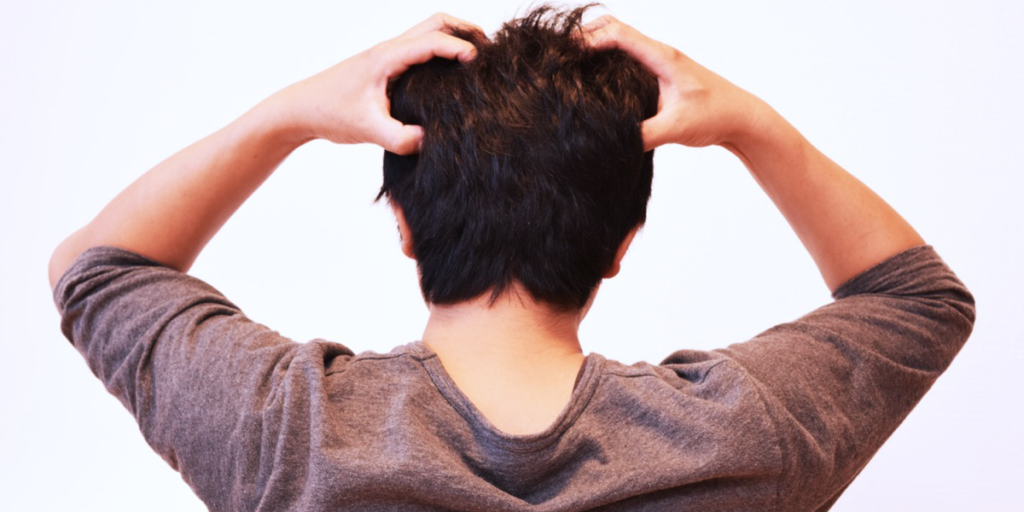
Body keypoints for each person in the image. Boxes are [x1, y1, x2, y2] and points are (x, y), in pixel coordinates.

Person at [49, 7, 975, 512]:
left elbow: (97, 270)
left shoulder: (289, 434)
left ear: (404, 228)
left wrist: (288, 114)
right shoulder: (739, 441)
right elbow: (919, 299)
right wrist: (752, 126)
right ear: (621, 246)